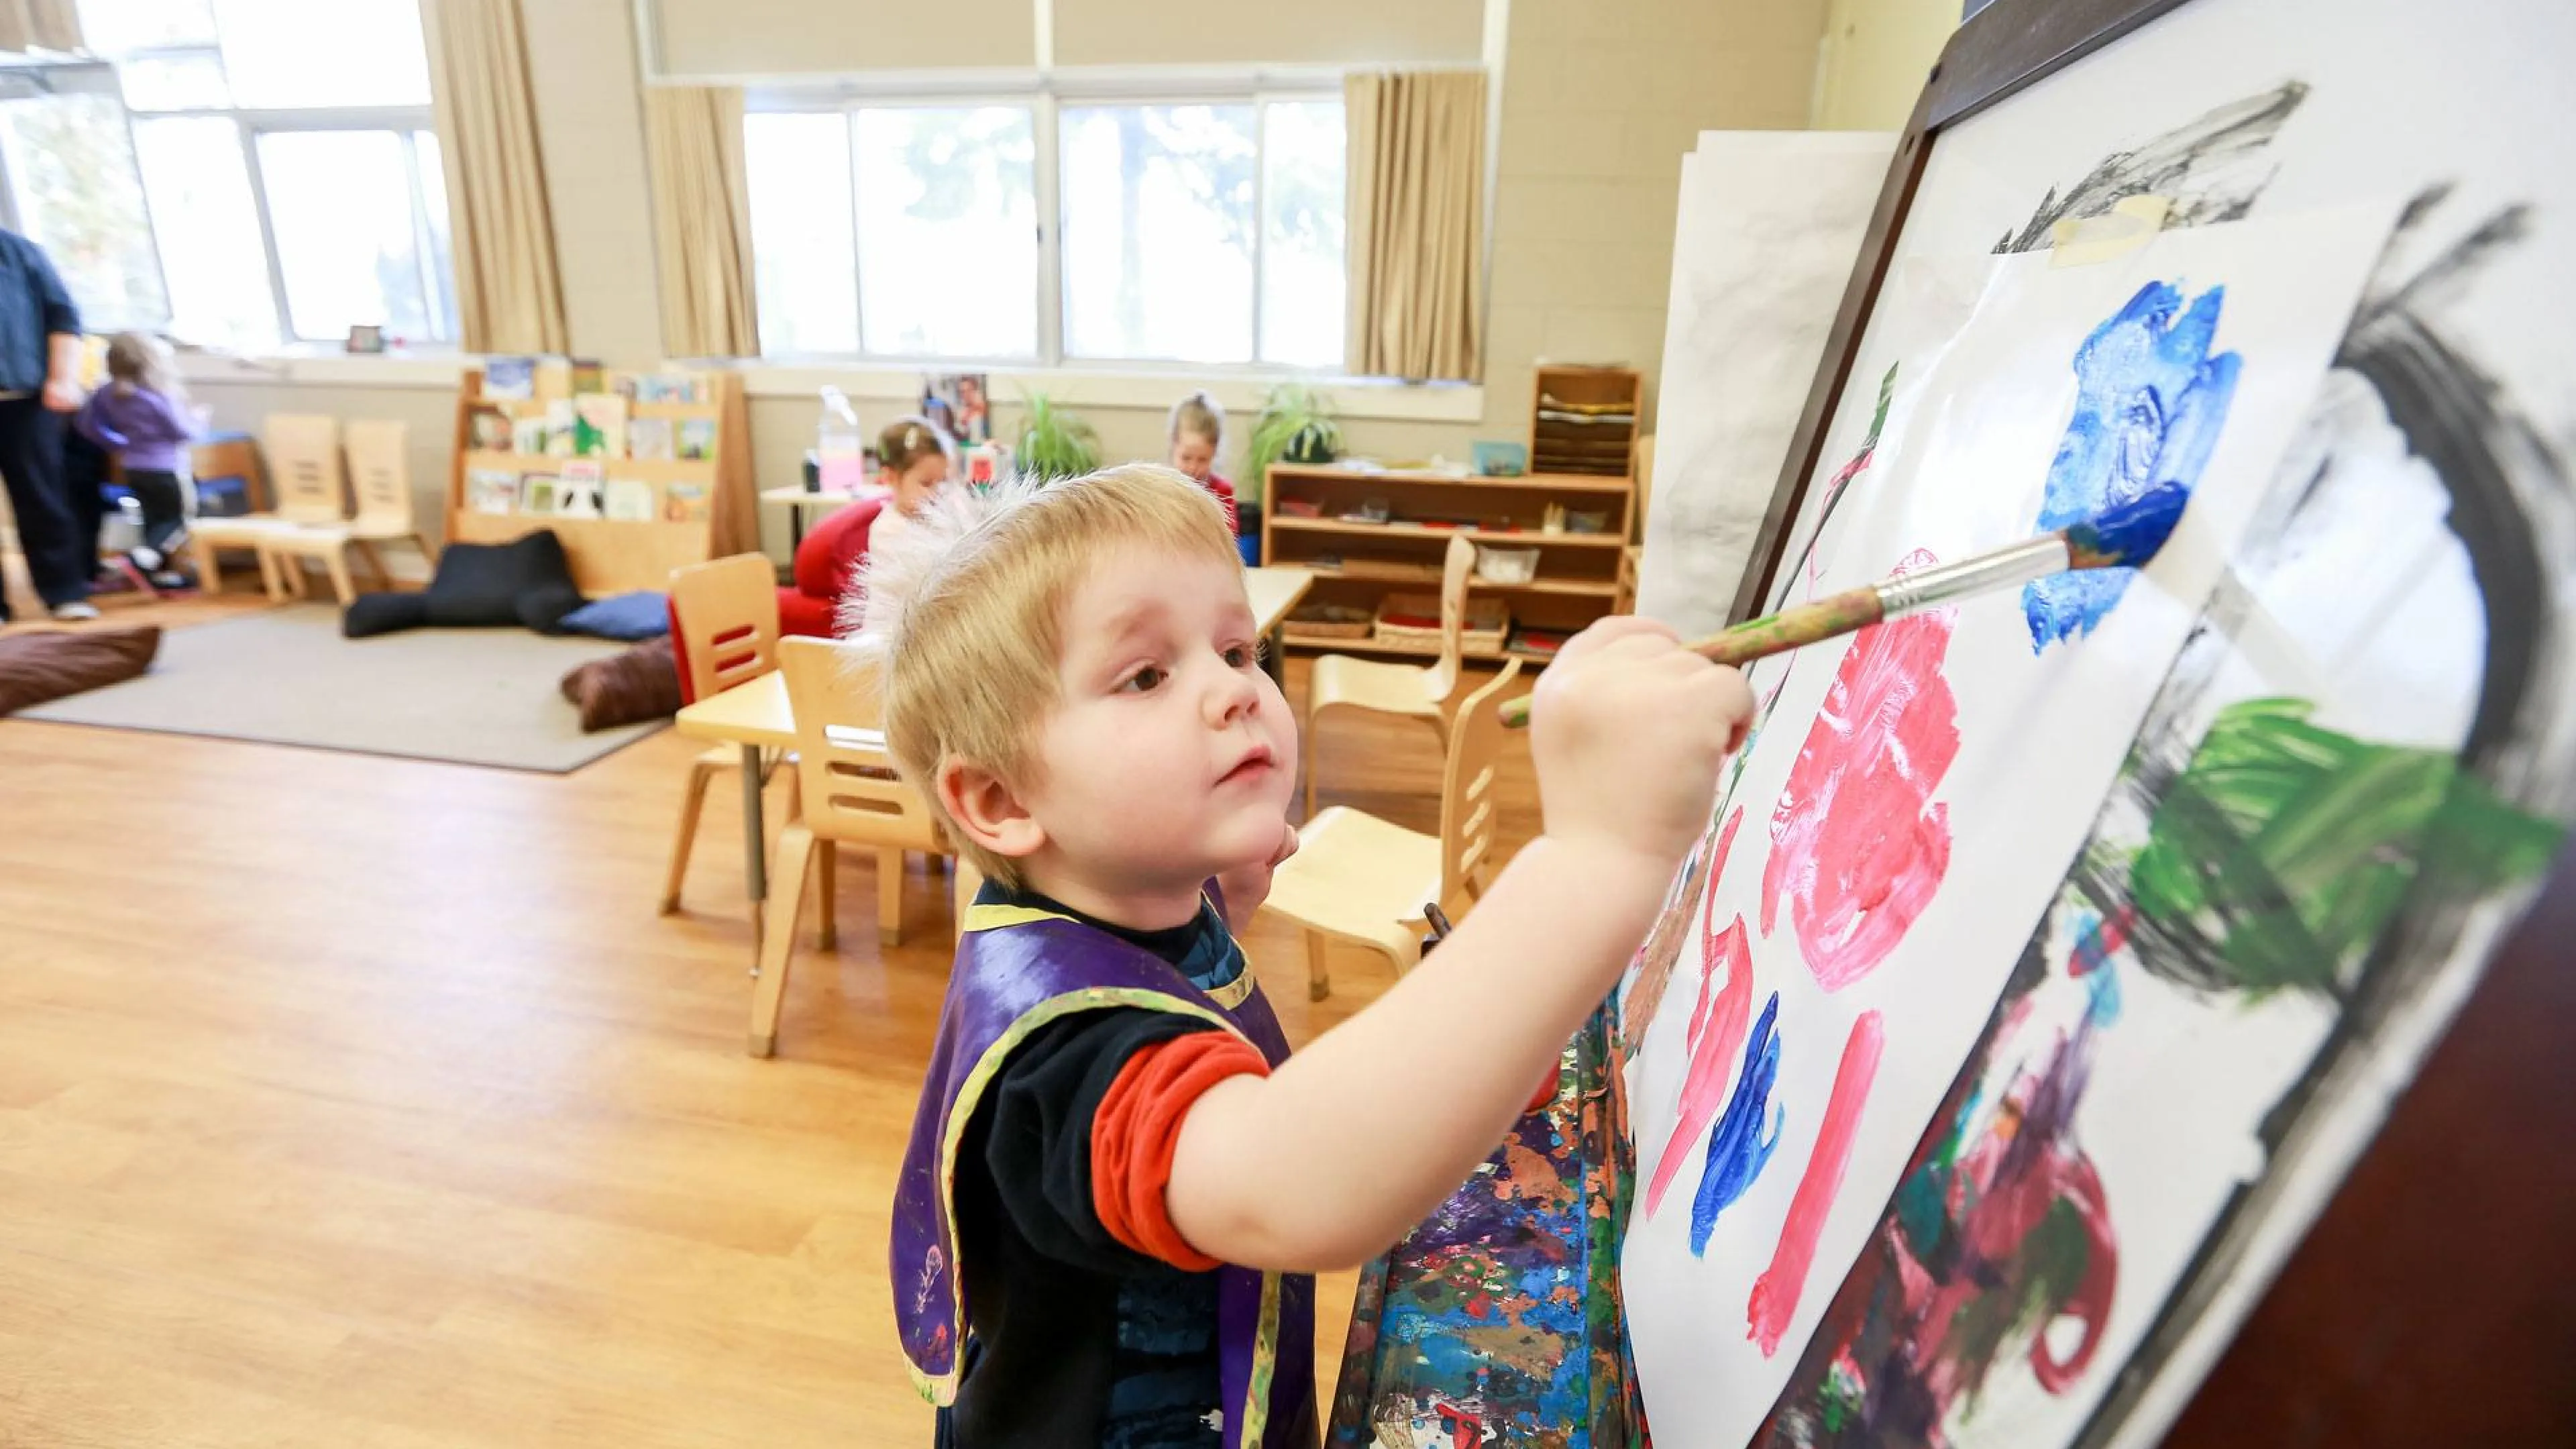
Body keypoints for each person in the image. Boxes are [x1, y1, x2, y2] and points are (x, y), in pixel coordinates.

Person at [865, 464, 1752, 1447]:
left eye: (1237, 650)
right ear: (1001, 802)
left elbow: (1153, 969)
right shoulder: (1071, 1065)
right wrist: (1598, 854)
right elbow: (1296, 1185)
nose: (1233, 692)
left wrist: (1216, 904)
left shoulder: (1112, 901)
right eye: (1147, 676)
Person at [0, 226, 93, 621]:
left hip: (25, 398)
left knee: (43, 498)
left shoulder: (19, 253)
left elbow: (63, 317)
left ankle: (64, 592)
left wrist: (63, 378)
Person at [76, 331, 201, 590]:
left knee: (152, 519)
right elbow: (183, 432)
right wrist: (200, 419)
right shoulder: (158, 394)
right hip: (167, 468)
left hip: (133, 467)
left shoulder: (106, 393)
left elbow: (87, 425)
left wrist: (117, 443)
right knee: (180, 518)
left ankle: (159, 575)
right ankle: (140, 558)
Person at [842, 415, 955, 635]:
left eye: (943, 482)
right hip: (889, 633)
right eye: (926, 483)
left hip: (924, 626)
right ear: (891, 478)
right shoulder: (889, 529)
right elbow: (926, 580)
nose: (937, 492)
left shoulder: (937, 517)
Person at [1167, 390, 1238, 535]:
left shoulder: (1222, 492)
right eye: (1186, 458)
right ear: (1174, 446)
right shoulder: (1163, 488)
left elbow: (1230, 537)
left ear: (1214, 452)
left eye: (1203, 460)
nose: (1193, 468)